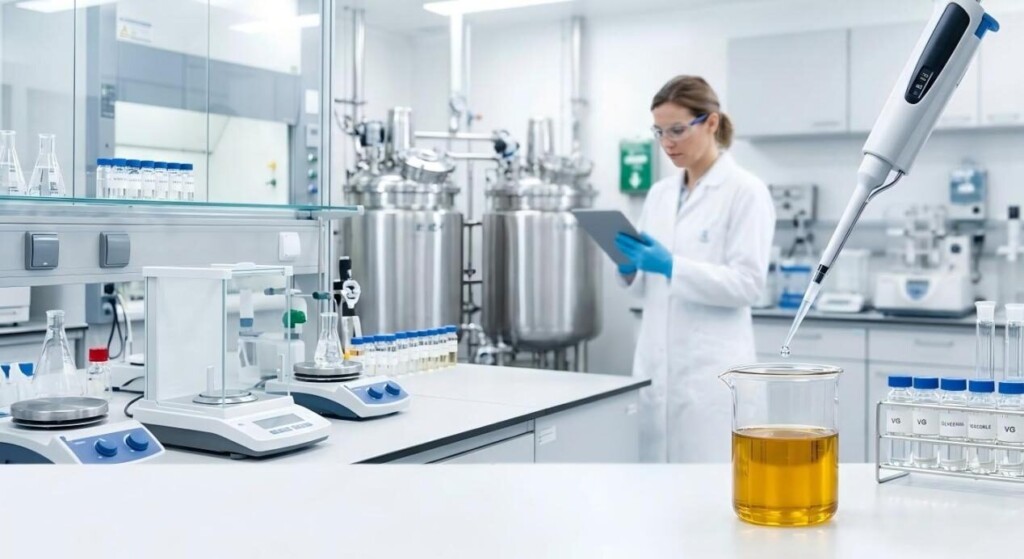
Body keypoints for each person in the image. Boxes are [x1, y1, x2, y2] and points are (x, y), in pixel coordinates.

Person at [615, 75, 775, 463]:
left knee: (710, 497)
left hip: (711, 377)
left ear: (712, 123)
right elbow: (647, 290)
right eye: (659, 132)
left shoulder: (745, 191)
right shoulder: (659, 194)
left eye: (677, 130)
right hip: (657, 370)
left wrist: (672, 267)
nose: (667, 142)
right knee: (655, 495)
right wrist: (629, 269)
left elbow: (748, 285)